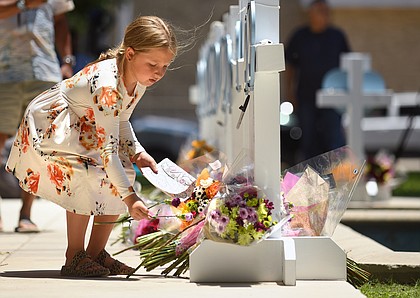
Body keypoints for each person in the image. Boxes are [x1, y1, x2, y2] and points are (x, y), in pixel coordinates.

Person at [6, 15, 176, 277]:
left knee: (124, 174)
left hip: (84, 125)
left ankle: (95, 253)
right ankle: (74, 255)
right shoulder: (107, 85)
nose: (159, 73)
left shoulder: (138, 79)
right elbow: (108, 150)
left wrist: (137, 152)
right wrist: (130, 200)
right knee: (85, 174)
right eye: (153, 64)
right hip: (55, 125)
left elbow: (121, 119)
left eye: (165, 66)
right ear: (130, 54)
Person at [0, 0, 75, 233]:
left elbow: (61, 22)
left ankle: (26, 215)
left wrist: (67, 61)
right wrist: (24, 4)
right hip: (4, 74)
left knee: (37, 146)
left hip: (44, 72)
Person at [285, 0, 350, 161]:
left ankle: (337, 179)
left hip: (332, 99)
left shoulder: (337, 36)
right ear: (310, 13)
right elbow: (290, 66)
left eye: (327, 11)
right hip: (306, 97)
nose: (325, 15)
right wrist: (289, 92)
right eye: (320, 11)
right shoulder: (300, 36)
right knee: (308, 139)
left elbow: (347, 65)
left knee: (334, 139)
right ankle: (310, 179)